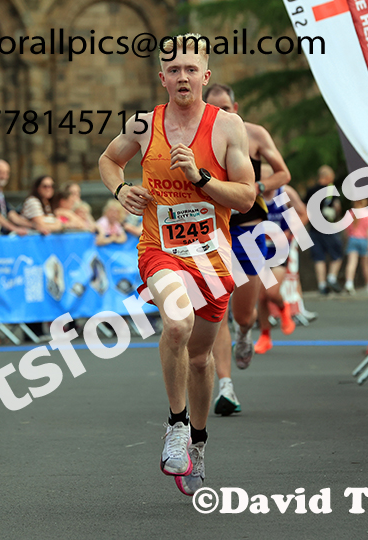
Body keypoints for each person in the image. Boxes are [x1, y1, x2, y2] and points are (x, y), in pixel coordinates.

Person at [98, 33, 255, 496]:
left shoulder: (228, 127)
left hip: (212, 258)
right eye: (174, 70)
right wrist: (120, 189)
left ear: (205, 77)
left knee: (203, 358)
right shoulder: (144, 125)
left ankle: (199, 444)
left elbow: (246, 197)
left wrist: (200, 177)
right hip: (159, 249)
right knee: (178, 325)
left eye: (191, 69)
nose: (182, 76)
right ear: (162, 78)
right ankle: (176, 423)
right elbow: (109, 160)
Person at [204, 82, 291, 416]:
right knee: (215, 313)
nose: (220, 115)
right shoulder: (197, 137)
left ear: (235, 109)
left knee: (243, 314)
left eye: (226, 108)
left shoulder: (254, 134)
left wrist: (257, 185)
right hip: (211, 234)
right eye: (214, 109)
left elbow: (284, 172)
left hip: (249, 232)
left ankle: (246, 333)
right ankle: (225, 386)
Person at [254, 179, 308, 354]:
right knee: (261, 297)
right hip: (258, 250)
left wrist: (291, 233)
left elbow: (304, 213)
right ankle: (265, 336)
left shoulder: (284, 194)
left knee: (270, 293)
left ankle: (283, 308)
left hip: (278, 251)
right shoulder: (254, 193)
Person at [304, 165, 344, 295]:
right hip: (327, 227)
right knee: (337, 253)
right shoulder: (330, 190)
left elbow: (304, 208)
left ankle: (322, 285)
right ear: (327, 177)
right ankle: (331, 278)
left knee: (318, 257)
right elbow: (337, 208)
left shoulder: (310, 190)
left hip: (313, 228)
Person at [343, 198, 368, 295]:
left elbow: (345, 229)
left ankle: (349, 283)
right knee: (365, 264)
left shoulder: (350, 213)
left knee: (351, 263)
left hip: (353, 239)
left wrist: (347, 239)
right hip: (364, 240)